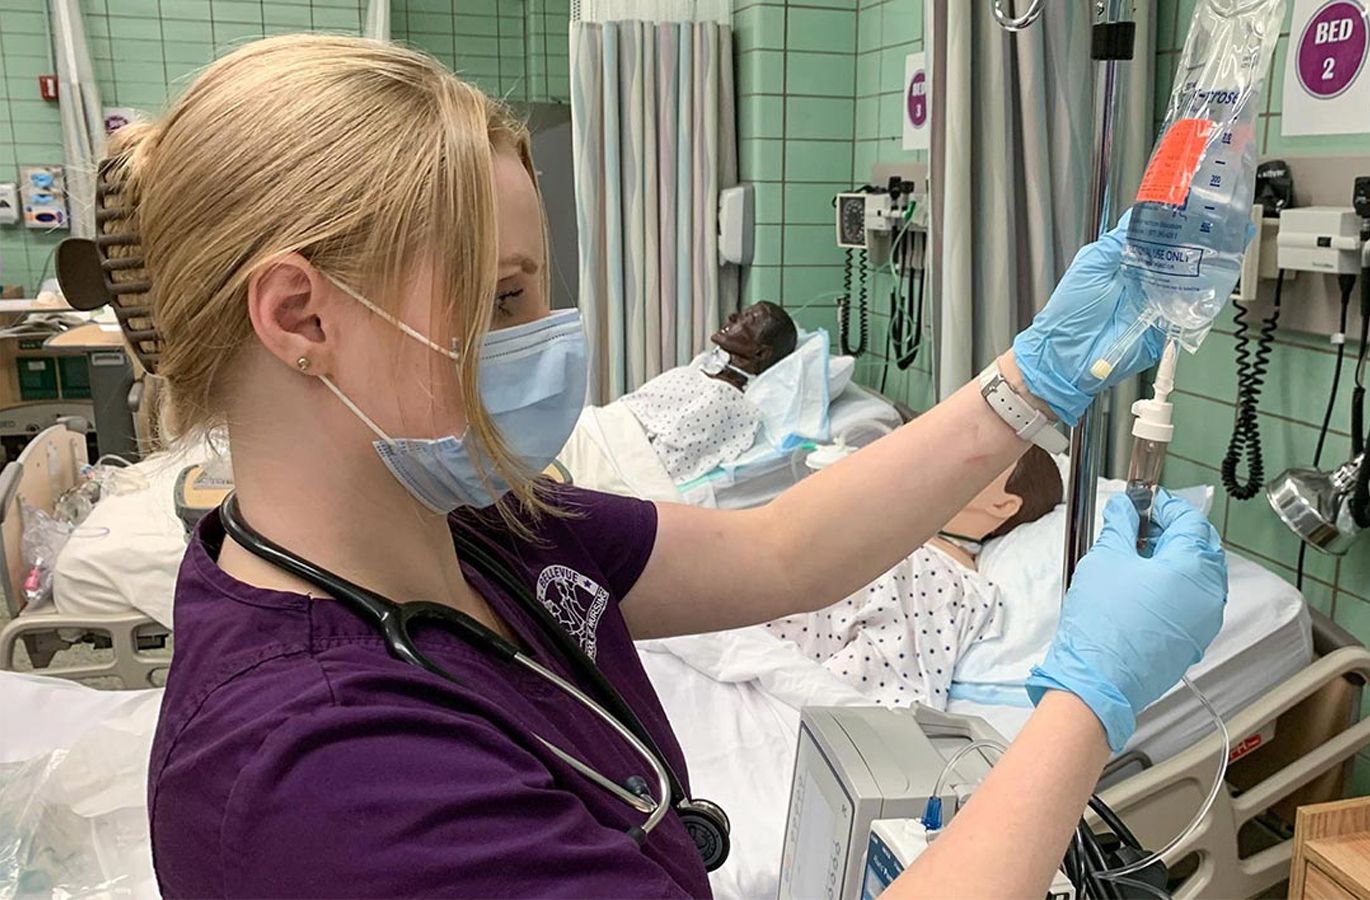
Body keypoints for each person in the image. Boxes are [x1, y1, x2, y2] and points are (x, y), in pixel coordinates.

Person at [120, 35, 1222, 898]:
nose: (548, 335)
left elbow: (777, 549)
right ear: (300, 317)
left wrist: (1031, 383)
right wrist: (1083, 707)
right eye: (503, 299)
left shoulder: (472, 531)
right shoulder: (318, 776)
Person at [762, 445, 1062, 706]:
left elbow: (869, 687)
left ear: (1003, 505)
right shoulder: (901, 538)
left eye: (987, 460)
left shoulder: (943, 580)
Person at [619, 301, 798, 482]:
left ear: (760, 353)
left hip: (611, 453)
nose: (732, 317)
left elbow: (659, 466)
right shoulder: (702, 371)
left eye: (747, 319)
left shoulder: (724, 401)